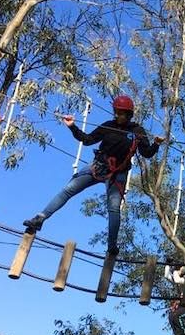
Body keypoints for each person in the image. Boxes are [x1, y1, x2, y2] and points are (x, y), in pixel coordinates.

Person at [22, 95, 163, 255]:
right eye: (116, 112)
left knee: (114, 208)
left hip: (117, 175)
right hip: (97, 167)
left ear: (129, 114)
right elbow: (88, 140)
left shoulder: (137, 131)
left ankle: (112, 245)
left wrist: (156, 144)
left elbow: (146, 153)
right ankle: (40, 218)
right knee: (68, 190)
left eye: (121, 113)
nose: (117, 115)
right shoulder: (108, 126)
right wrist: (72, 126)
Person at [164, 264, 185, 335]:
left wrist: (175, 272)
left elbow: (177, 280)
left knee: (178, 316)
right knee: (171, 316)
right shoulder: (180, 279)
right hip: (183, 305)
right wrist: (168, 265)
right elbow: (167, 276)